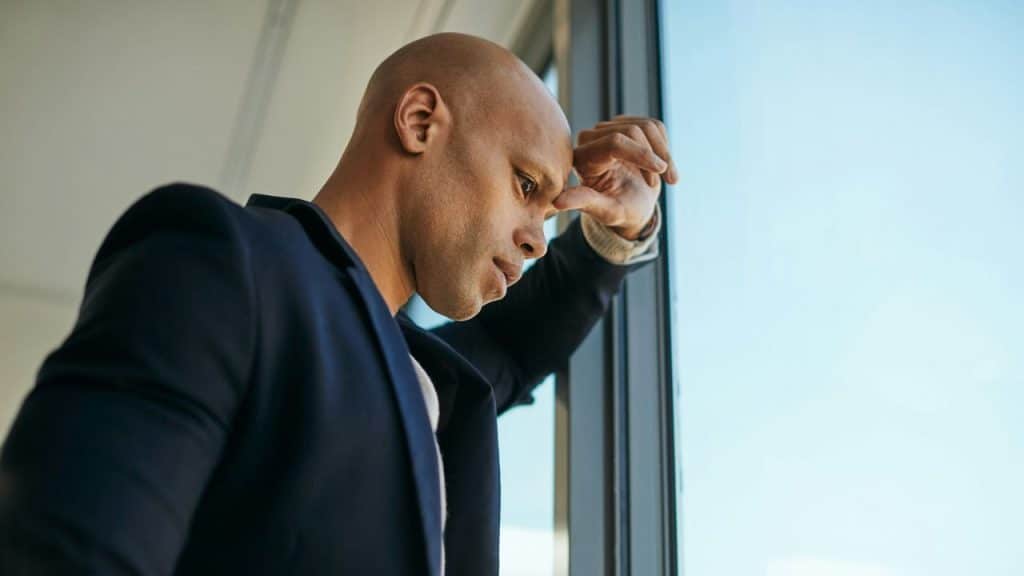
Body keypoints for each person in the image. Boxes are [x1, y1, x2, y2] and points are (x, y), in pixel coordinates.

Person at [0, 32, 677, 576]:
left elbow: (513, 346)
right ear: (419, 121)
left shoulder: (427, 378)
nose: (535, 237)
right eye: (526, 184)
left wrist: (619, 231)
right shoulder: (219, 260)